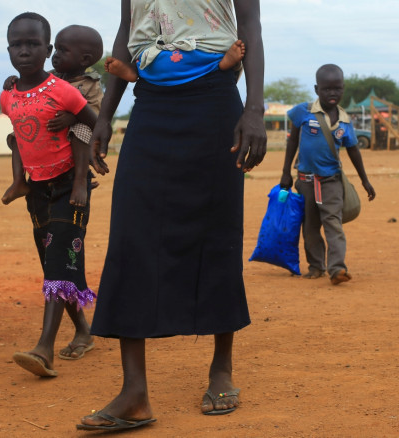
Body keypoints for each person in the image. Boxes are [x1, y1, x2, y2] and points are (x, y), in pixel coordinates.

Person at [78, 0, 267, 431]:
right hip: (151, 104)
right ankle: (134, 393)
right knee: (131, 235)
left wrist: (253, 109)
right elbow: (127, 29)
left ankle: (221, 367)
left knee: (216, 230)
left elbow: (251, 26)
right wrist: (105, 114)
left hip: (214, 100)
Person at [0, 12, 99, 377]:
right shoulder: (8, 95)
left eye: (32, 44)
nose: (24, 51)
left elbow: (91, 124)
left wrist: (79, 183)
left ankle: (45, 349)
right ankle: (84, 332)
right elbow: (20, 134)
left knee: (58, 261)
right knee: (55, 266)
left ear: (47, 49)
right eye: (17, 45)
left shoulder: (65, 90)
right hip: (37, 189)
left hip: (70, 188)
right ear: (8, 49)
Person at [280, 64, 376, 285]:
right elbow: (292, 141)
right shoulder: (302, 112)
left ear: (343, 88)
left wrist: (365, 180)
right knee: (311, 227)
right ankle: (316, 266)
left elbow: (353, 150)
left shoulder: (345, 121)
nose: (333, 93)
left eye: (337, 88)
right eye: (327, 89)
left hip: (331, 182)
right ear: (317, 89)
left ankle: (337, 269)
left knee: (333, 224)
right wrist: (286, 172)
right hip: (305, 181)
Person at [2, 24, 105, 206]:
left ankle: (80, 180)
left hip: (76, 136)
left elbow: (94, 116)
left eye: (63, 50)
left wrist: (72, 117)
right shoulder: (50, 77)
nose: (56, 54)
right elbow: (32, 83)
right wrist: (14, 80)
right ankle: (18, 180)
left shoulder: (91, 85)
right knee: (16, 134)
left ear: (84, 59)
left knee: (80, 130)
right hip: (48, 132)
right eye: (56, 48)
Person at [104, 40, 245, 83]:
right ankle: (134, 69)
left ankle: (223, 63)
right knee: (145, 56)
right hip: (155, 55)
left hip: (205, 56)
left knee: (215, 51)